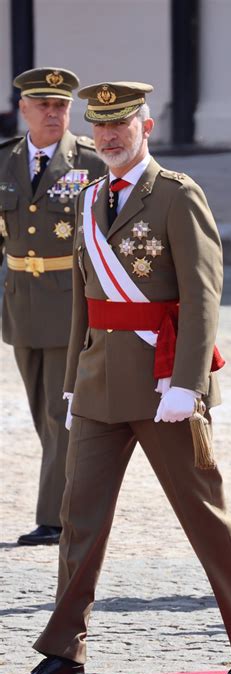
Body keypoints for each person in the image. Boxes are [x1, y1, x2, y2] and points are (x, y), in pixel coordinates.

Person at [2, 81, 231, 674]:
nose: (109, 136)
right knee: (79, 520)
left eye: (122, 126)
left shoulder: (178, 196)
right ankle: (64, 654)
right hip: (100, 384)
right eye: (101, 127)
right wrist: (73, 379)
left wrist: (189, 384)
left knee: (203, 514)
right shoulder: (90, 195)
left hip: (163, 387)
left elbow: (204, 294)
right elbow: (83, 299)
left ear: (146, 127)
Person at [0, 67, 105, 546]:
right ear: (22, 108)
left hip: (70, 304)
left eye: (61, 105)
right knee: (42, 413)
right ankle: (73, 501)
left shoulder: (89, 161)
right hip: (21, 304)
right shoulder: (6, 162)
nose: (53, 113)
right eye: (42, 104)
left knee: (61, 414)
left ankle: (55, 517)